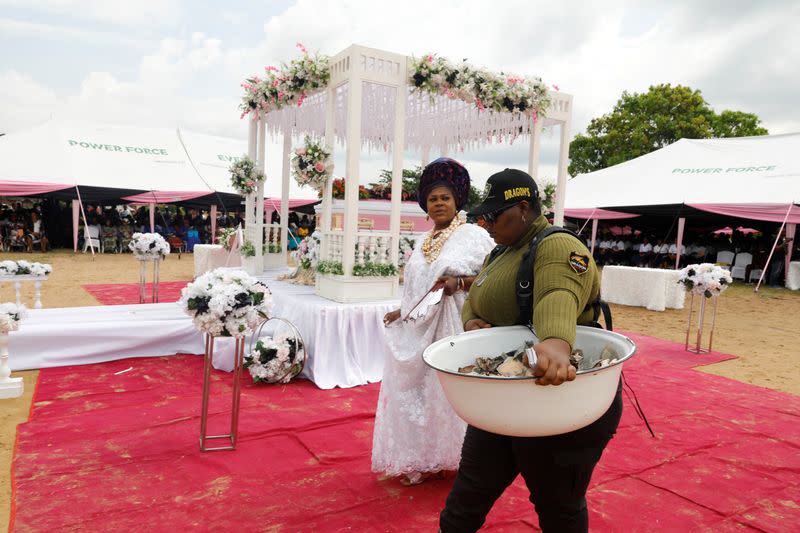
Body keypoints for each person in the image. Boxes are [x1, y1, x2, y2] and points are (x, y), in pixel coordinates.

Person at [439, 169, 622, 533]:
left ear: (523, 208)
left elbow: (559, 292)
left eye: (493, 215)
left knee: (558, 507)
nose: (485, 223)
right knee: (467, 498)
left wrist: (555, 343)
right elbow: (475, 297)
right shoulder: (500, 252)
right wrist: (473, 321)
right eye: (482, 215)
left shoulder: (557, 244)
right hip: (502, 398)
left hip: (555, 395)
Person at [372, 158, 495, 487]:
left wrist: (461, 284)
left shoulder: (472, 235)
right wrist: (402, 311)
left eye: (445, 198)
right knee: (419, 395)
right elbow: (417, 286)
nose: (439, 203)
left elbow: (492, 274)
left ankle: (458, 456)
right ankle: (425, 456)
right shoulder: (422, 242)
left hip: (451, 324)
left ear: (457, 202)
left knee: (446, 393)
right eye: (432, 199)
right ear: (425, 206)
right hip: (419, 326)